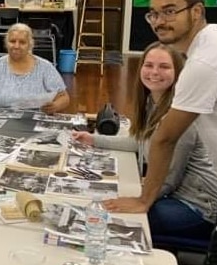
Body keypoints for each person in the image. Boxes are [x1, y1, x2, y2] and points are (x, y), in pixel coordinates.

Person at [72, 42, 217, 240]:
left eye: (164, 67)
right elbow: (139, 142)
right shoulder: (152, 102)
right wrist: (94, 139)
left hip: (198, 207)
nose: (154, 72)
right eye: (149, 65)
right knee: (106, 206)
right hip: (170, 194)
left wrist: (133, 195)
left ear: (179, 73)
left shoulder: (179, 118)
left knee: (114, 217)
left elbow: (168, 181)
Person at [105, 0, 217, 214]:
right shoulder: (205, 48)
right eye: (154, 14)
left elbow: (165, 138)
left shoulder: (203, 62)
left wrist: (144, 200)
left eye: (169, 11)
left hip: (202, 201)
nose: (159, 21)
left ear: (196, 12)